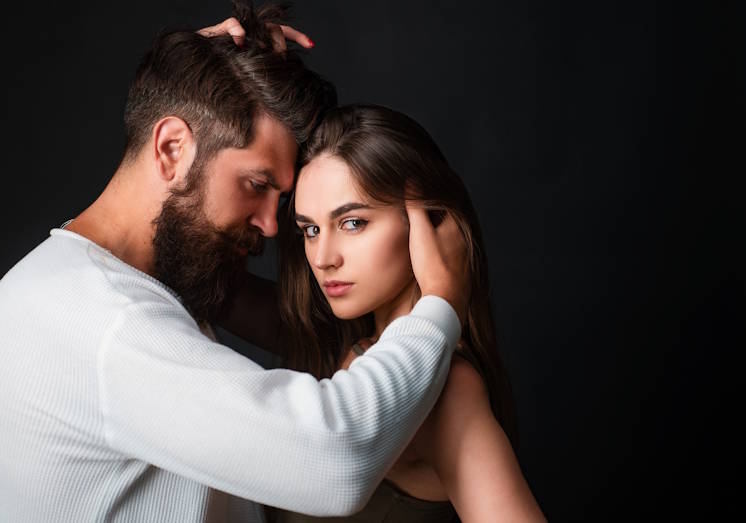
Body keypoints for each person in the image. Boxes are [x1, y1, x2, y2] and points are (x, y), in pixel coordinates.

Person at [0, 3, 469, 522]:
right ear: (172, 149)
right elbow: (335, 461)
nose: (270, 224)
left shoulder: (59, 284)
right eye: (256, 184)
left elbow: (302, 327)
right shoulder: (107, 324)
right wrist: (440, 304)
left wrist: (199, 72)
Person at [265, 105, 547, 522]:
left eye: (353, 223)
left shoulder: (448, 388)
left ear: (426, 222)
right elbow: (219, 298)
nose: (323, 258)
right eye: (311, 229)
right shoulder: (350, 344)